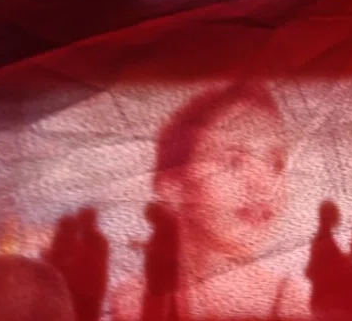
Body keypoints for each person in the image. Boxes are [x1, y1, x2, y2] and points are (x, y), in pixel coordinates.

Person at [123, 82, 306, 319]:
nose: (264, 185)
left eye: (276, 164)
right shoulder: (134, 300)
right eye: (234, 162)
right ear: (173, 187)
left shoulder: (291, 303)